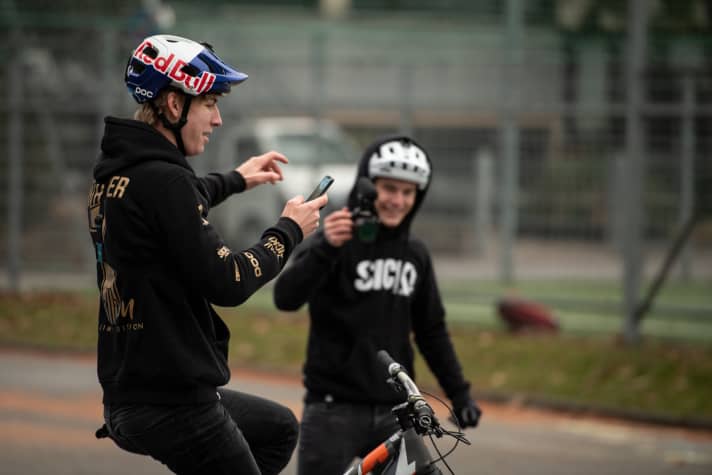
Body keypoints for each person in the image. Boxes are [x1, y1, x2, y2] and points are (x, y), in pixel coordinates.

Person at [87, 34, 327, 475]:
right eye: (210, 103)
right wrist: (289, 231)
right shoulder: (164, 182)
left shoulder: (118, 177)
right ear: (175, 105)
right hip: (174, 401)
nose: (217, 119)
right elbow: (228, 281)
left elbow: (175, 206)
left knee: (278, 429)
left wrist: (237, 178)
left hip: (129, 395)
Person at [273, 135, 482, 474]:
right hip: (331, 411)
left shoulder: (415, 254)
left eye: (408, 191)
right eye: (389, 188)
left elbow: (431, 330)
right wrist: (325, 247)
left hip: (395, 412)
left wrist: (459, 394)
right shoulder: (336, 238)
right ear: (368, 187)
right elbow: (285, 298)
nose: (398, 200)